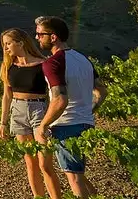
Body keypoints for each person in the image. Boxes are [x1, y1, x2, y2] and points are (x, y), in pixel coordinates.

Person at [34, 15, 107, 199]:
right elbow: (102, 91)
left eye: (40, 34)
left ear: (53, 37)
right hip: (86, 124)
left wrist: (43, 125)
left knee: (74, 179)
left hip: (67, 126)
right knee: (79, 176)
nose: (36, 38)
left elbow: (60, 100)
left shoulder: (53, 63)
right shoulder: (83, 59)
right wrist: (88, 111)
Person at [0, 28, 61, 199]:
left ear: (20, 42)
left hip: (39, 111)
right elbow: (7, 96)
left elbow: (54, 92)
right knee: (30, 162)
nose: (6, 48)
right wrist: (3, 122)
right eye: (4, 45)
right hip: (17, 112)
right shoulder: (8, 66)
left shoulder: (43, 64)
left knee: (45, 164)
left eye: (8, 43)